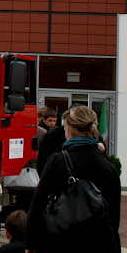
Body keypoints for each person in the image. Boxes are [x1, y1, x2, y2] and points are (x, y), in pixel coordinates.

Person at [26, 106, 121, 253]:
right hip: (99, 242)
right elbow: (114, 216)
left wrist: (31, 244)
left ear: (69, 130)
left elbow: (38, 204)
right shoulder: (108, 167)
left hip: (62, 240)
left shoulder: (58, 161)